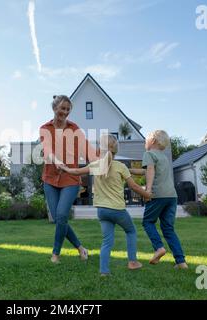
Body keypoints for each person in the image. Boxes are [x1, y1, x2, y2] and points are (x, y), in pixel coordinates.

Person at [61, 134, 151, 276]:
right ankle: (133, 261)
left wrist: (65, 168)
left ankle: (104, 271)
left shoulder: (95, 165)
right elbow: (133, 186)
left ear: (99, 150)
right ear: (116, 151)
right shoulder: (121, 166)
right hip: (118, 210)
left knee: (107, 241)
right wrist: (147, 195)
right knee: (131, 231)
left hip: (102, 211)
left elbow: (77, 171)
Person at [40, 95, 99, 264]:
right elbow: (47, 149)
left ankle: (55, 254)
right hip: (50, 178)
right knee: (60, 219)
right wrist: (56, 160)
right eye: (62, 108)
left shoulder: (74, 129)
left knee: (61, 214)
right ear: (54, 108)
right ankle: (81, 248)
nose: (65, 112)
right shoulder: (45, 128)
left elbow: (88, 150)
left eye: (67, 109)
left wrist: (100, 161)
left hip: (70, 178)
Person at [131, 130, 188, 269]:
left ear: (153, 141)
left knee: (148, 222)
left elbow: (150, 170)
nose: (145, 142)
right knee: (168, 228)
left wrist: (148, 190)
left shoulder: (149, 154)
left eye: (146, 140)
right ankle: (181, 262)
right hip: (171, 196)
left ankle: (159, 248)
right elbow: (146, 171)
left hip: (158, 195)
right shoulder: (163, 157)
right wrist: (128, 170)